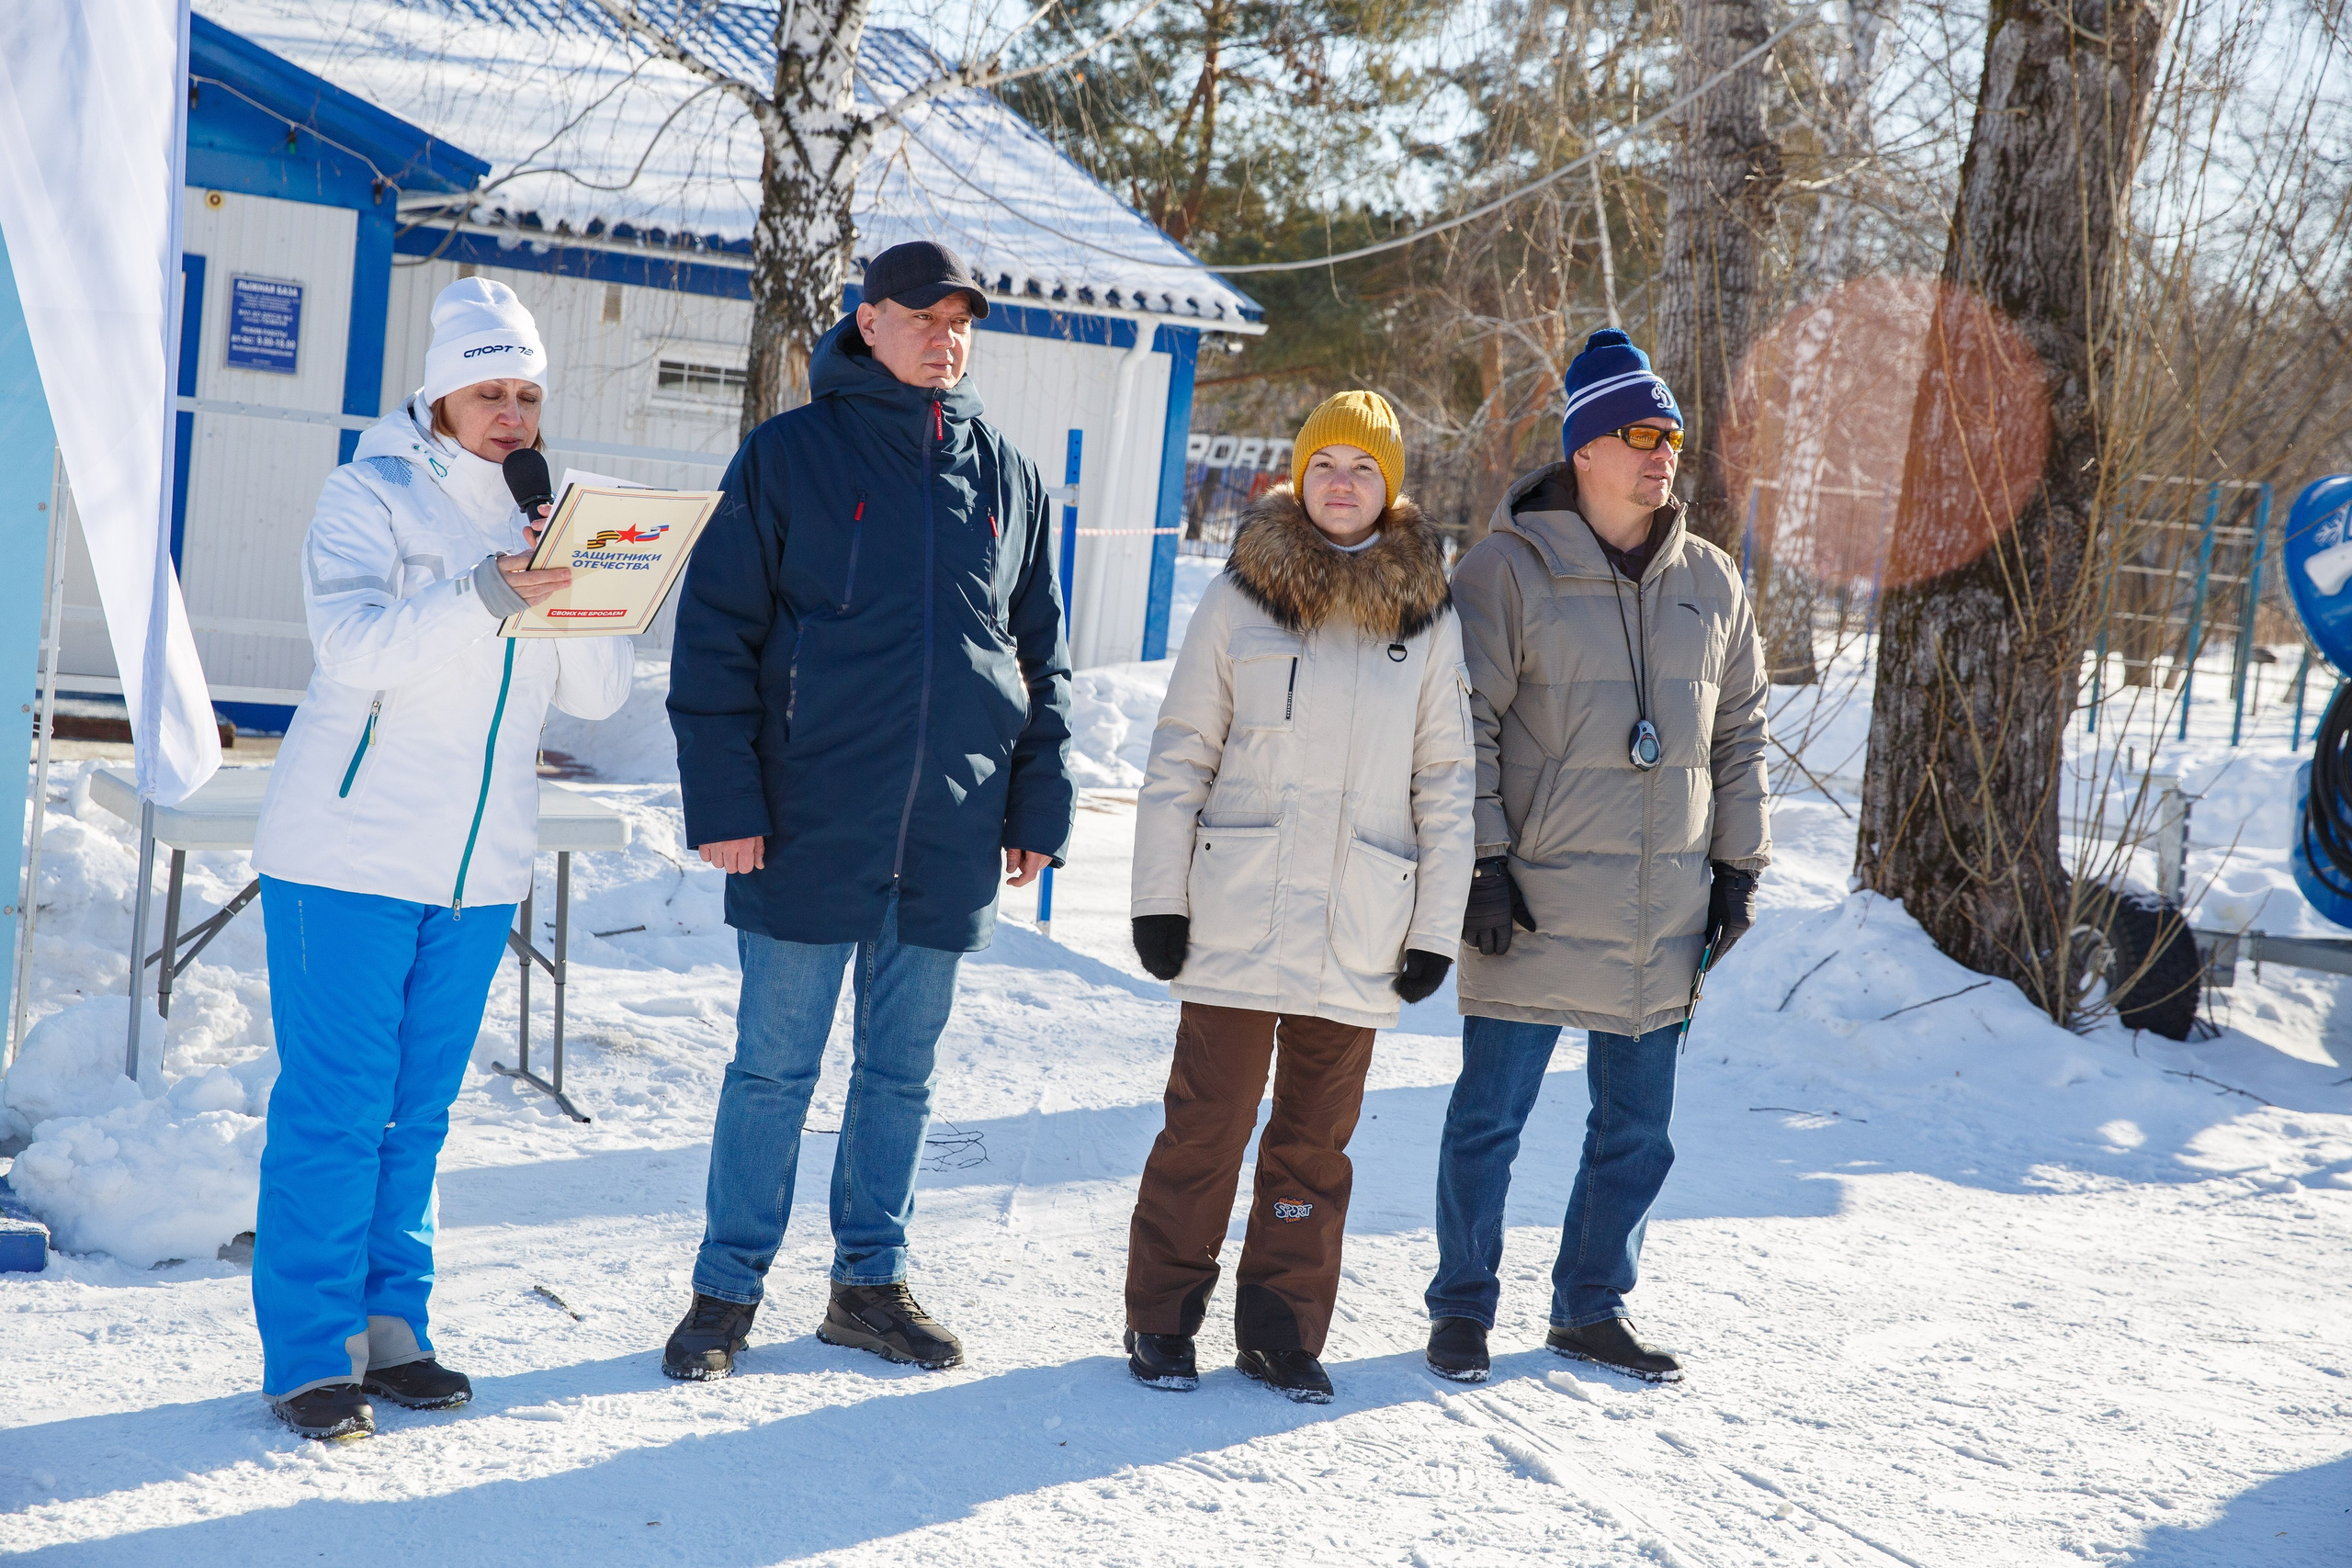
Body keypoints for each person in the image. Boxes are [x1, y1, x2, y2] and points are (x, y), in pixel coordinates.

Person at [661, 241, 1074, 1380]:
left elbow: (1040, 655)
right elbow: (716, 639)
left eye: (961, 323)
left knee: (901, 1077)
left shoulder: (1009, 476)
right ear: (868, 320)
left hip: (950, 828)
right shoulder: (789, 455)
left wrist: (1035, 804)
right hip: (806, 820)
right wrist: (726, 802)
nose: (947, 339)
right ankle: (724, 1291)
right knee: (772, 1072)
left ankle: (868, 1287)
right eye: (925, 318)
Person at [247, 278, 635, 1439]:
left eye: (527, 395)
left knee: (415, 1115)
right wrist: (485, 592)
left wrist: (587, 582)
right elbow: (352, 647)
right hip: (348, 854)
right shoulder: (369, 493)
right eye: (489, 393)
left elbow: (598, 696)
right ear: (440, 400)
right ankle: (311, 1356)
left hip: (478, 870)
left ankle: (391, 1331)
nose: (512, 415)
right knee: (337, 1110)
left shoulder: (552, 511)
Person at [1422, 329, 1769, 1386]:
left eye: (1673, 437)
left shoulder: (1712, 579)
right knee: (1489, 1121)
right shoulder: (1503, 570)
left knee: (1638, 1133)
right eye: (1640, 435)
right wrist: (1480, 866)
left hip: (1662, 902)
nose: (1665, 454)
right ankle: (1461, 1306)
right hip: (1531, 895)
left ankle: (1589, 1306)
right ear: (1584, 450)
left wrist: (1738, 868)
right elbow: (1462, 725)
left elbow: (1740, 734)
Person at [1123, 391, 1474, 1403]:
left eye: (1363, 468)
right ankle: (1162, 1318)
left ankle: (1280, 1331)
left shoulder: (1427, 616)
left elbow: (1447, 781)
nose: (1342, 483)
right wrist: (1158, 899)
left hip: (1361, 918)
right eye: (1325, 464)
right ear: (1298, 475)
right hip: (1237, 907)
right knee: (1207, 1126)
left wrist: (1434, 929)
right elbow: (1181, 754)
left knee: (1314, 1145)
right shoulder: (1238, 598)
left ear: (1390, 487)